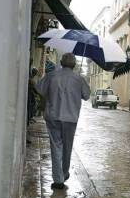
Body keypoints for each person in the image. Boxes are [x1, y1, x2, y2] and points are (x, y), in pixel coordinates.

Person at [36, 53, 90, 190]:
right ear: (74, 65)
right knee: (67, 147)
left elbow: (39, 89)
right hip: (70, 118)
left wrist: (51, 94)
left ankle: (59, 178)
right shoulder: (79, 79)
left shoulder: (52, 75)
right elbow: (87, 95)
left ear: (61, 62)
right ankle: (63, 174)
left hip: (53, 116)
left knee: (56, 146)